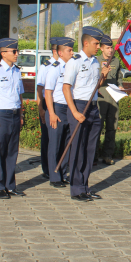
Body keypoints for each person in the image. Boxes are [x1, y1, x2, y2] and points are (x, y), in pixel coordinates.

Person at [63, 26, 110, 202]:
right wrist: (74, 112)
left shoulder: (96, 63)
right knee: (79, 150)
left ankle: (85, 186)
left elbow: (94, 87)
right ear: (86, 43)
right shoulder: (74, 61)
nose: (98, 46)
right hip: (79, 106)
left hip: (93, 106)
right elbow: (66, 87)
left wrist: (103, 76)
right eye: (96, 43)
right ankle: (76, 189)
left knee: (90, 150)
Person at [0, 38, 25, 199]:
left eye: (17, 51)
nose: (17, 54)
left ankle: (10, 185)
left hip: (14, 115)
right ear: (3, 53)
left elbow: (20, 95)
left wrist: (21, 114)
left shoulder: (16, 71)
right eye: (14, 51)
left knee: (11, 152)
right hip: (0, 115)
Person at [44, 37, 75, 188]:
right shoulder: (54, 68)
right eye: (69, 50)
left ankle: (63, 174)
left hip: (69, 108)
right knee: (55, 144)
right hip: (57, 108)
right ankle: (54, 177)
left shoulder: (72, 67)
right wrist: (51, 113)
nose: (72, 52)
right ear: (60, 53)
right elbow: (48, 92)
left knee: (66, 143)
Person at [96, 34, 124, 166]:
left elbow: (119, 76)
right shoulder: (96, 60)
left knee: (112, 126)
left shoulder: (116, 61)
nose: (110, 50)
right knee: (98, 126)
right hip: (101, 96)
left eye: (111, 48)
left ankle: (108, 155)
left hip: (113, 97)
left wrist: (120, 85)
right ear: (101, 48)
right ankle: (94, 154)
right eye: (107, 48)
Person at [36, 37, 60, 179]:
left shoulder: (65, 65)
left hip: (59, 104)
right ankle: (47, 168)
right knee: (47, 137)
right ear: (55, 50)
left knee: (59, 138)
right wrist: (41, 109)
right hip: (46, 103)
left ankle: (58, 166)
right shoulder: (46, 66)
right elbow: (40, 89)